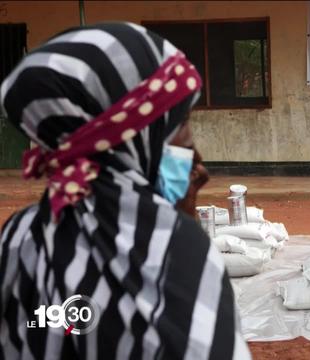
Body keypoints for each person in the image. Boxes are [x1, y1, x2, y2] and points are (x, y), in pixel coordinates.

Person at [0, 22, 250, 359]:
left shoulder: (17, 237)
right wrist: (179, 228)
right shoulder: (174, 256)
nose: (196, 154)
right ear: (135, 136)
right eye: (182, 123)